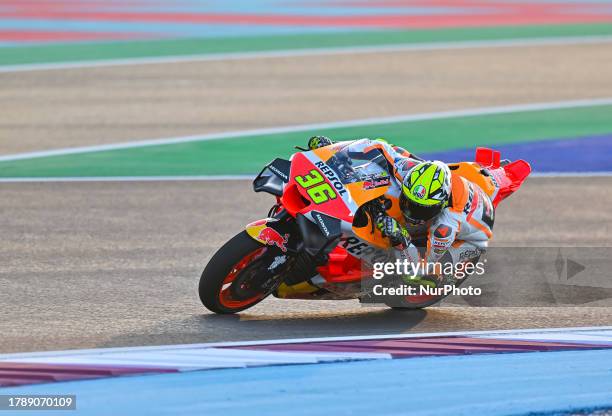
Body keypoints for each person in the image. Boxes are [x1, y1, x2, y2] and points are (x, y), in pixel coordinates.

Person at [306, 136, 494, 277]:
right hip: (454, 186)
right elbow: (376, 145)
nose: (412, 212)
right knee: (390, 162)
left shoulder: (445, 228)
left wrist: (402, 239)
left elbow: (421, 268)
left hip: (471, 239)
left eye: (421, 209)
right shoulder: (407, 168)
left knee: (424, 276)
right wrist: (332, 151)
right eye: (410, 202)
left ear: (440, 206)